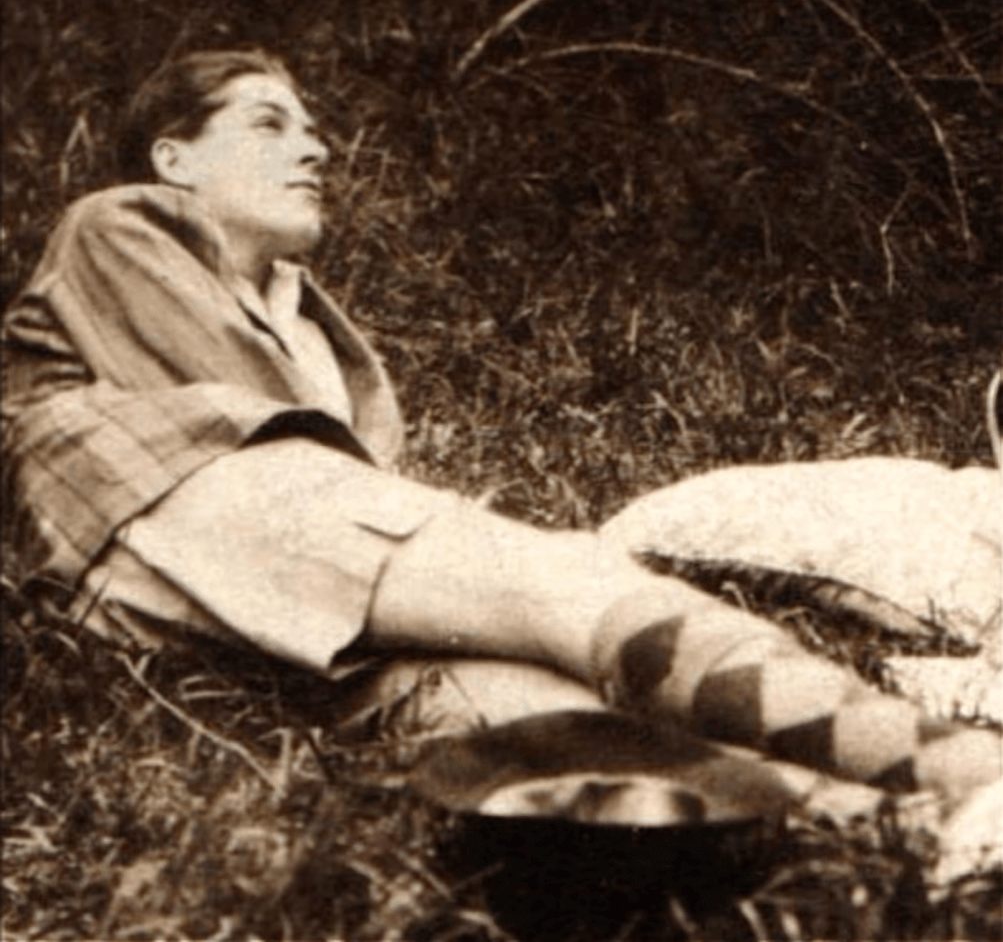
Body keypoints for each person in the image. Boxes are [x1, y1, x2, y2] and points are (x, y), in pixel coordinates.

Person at [2, 49, 998, 810]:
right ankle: (967, 773)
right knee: (568, 587)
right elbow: (272, 445)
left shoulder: (308, 318)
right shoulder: (119, 222)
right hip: (151, 497)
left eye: (312, 127)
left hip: (207, 616)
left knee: (547, 718)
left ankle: (892, 826)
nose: (314, 147)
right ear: (172, 156)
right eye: (269, 123)